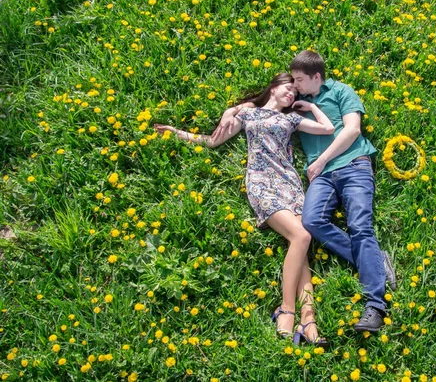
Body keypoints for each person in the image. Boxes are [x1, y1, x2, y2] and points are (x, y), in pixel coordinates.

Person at [216, 52, 397, 332]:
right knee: (311, 224)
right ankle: (374, 261)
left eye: (299, 80)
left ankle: (375, 303)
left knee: (360, 227)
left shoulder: (341, 91)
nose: (295, 86)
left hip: (353, 166)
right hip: (320, 177)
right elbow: (264, 108)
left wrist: (321, 159)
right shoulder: (294, 106)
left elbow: (351, 130)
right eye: (291, 82)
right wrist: (234, 109)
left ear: (316, 77)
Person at [154, 73, 332, 346]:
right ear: (273, 86)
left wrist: (311, 107)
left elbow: (328, 128)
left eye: (296, 94)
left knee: (301, 247)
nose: (292, 95)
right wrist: (178, 133)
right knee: (302, 237)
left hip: (291, 185)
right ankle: (287, 309)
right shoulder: (249, 115)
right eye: (288, 89)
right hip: (262, 184)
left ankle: (309, 320)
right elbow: (212, 141)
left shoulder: (291, 119)